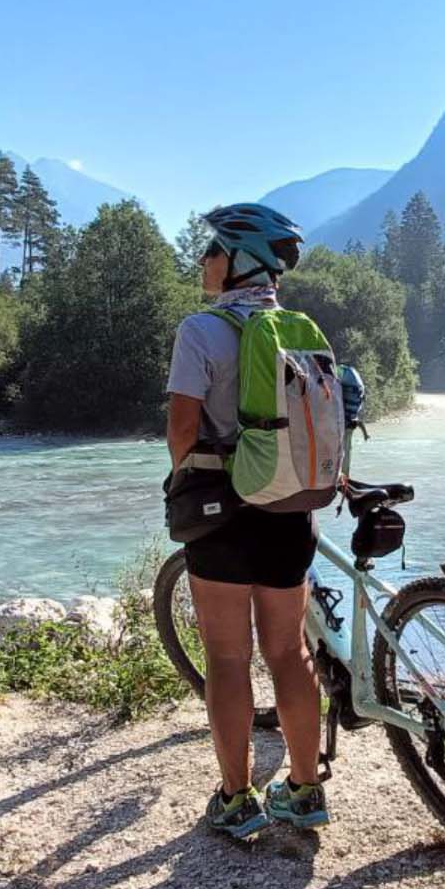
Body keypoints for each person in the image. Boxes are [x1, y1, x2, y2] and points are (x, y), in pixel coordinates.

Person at [165, 203, 329, 839]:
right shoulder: (302, 329)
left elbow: (182, 428)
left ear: (240, 262)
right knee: (289, 652)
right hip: (291, 509)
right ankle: (305, 791)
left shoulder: (200, 331)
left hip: (222, 513)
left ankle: (236, 801)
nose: (204, 261)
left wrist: (186, 476)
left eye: (212, 251)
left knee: (229, 659)